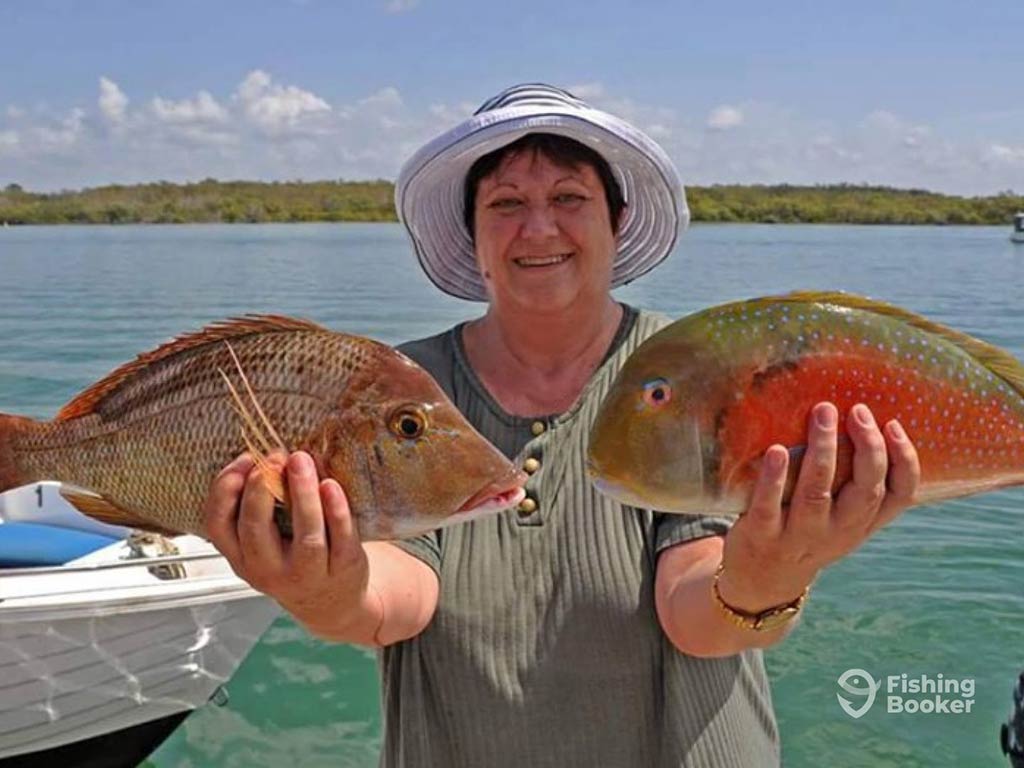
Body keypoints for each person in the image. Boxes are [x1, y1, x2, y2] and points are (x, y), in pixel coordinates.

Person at [203, 83, 921, 767]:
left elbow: (695, 613)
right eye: (505, 202)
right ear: (474, 238)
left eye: (570, 197)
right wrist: (321, 586)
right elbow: (396, 597)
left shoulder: (694, 371)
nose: (538, 226)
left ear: (618, 222)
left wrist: (771, 572)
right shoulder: (400, 388)